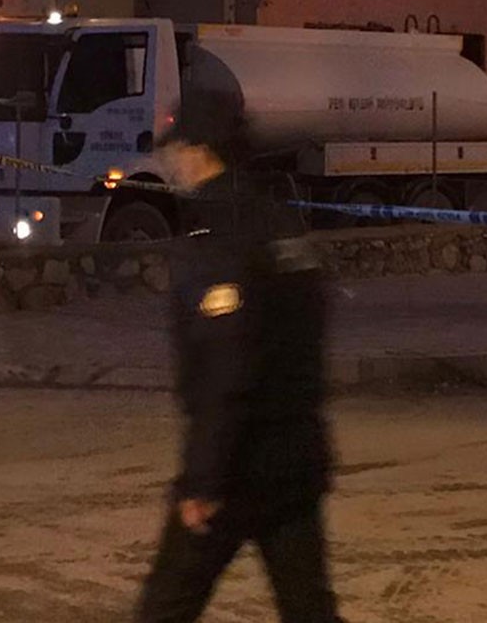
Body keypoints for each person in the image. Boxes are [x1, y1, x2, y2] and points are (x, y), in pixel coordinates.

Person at [134, 88, 342, 622]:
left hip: (239, 467)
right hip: (296, 458)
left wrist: (204, 478)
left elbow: (227, 363)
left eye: (176, 148)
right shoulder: (281, 222)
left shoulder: (215, 233)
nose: (171, 161)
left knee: (165, 609)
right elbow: (311, 333)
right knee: (309, 609)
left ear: (201, 149)